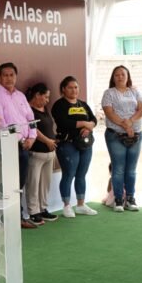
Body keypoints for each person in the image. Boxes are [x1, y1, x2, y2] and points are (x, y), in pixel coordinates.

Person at [0, 62, 37, 229]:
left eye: (12, 75)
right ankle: (7, 220)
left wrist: (32, 137)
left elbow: (31, 119)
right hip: (7, 145)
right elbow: (0, 124)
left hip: (25, 145)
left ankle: (18, 216)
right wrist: (20, 140)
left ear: (16, 76)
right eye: (5, 75)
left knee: (19, 183)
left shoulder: (20, 96)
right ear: (0, 77)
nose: (9, 78)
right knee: (8, 184)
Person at [51, 76, 98, 218]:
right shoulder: (59, 105)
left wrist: (89, 128)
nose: (74, 90)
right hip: (67, 144)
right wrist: (84, 123)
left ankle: (81, 204)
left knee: (81, 174)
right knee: (69, 174)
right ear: (63, 89)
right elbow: (64, 122)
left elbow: (93, 120)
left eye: (76, 87)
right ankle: (66, 205)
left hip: (85, 144)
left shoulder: (82, 104)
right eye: (70, 87)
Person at [102, 65, 142, 212]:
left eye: (123, 74)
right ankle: (118, 199)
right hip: (115, 135)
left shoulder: (135, 91)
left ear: (128, 76)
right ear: (113, 78)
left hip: (136, 134)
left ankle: (131, 199)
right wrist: (125, 125)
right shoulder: (109, 93)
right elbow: (109, 112)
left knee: (131, 170)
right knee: (118, 169)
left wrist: (131, 122)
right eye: (117, 75)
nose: (120, 77)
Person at [24, 83, 58, 225]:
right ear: (37, 95)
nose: (47, 100)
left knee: (45, 183)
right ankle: (33, 212)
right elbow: (34, 129)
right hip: (36, 152)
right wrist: (48, 141)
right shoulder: (29, 109)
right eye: (45, 97)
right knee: (33, 183)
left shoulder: (45, 109)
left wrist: (52, 143)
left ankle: (43, 208)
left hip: (49, 153)